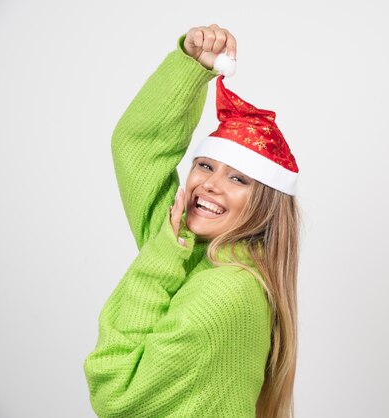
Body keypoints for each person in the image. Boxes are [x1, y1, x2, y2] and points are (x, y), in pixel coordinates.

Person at [83, 24, 300, 418]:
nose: (210, 185)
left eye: (238, 178)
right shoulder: (196, 248)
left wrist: (159, 260)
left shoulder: (222, 292)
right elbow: (137, 149)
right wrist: (191, 68)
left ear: (265, 205)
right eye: (205, 165)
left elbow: (115, 394)